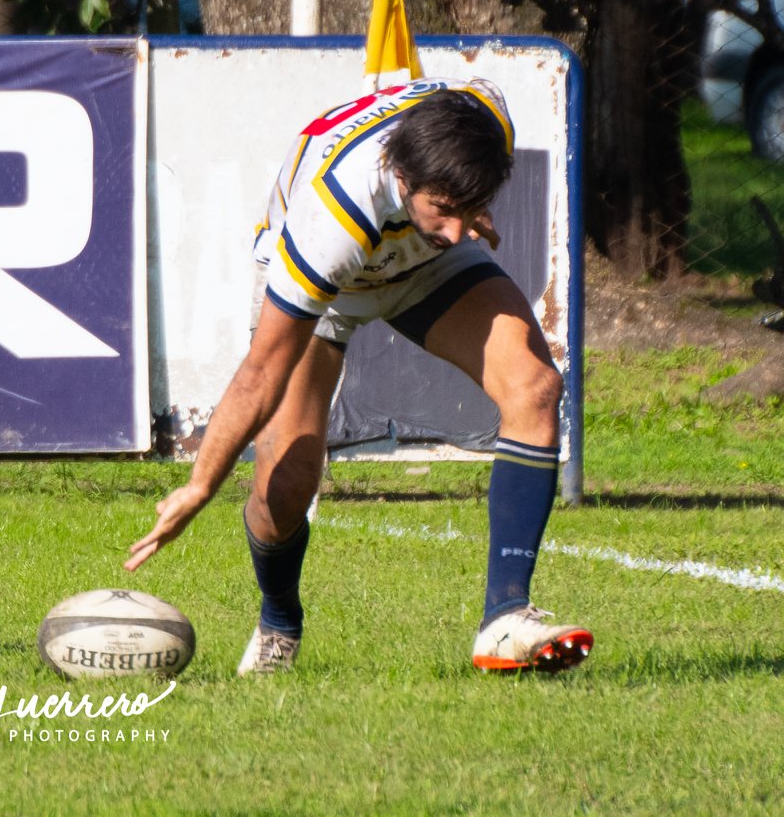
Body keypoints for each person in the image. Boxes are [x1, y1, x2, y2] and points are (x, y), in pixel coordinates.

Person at [126, 78, 593, 676]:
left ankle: (504, 619)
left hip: (422, 268)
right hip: (333, 289)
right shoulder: (332, 216)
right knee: (284, 490)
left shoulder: (483, 125)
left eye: (467, 209)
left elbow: (467, 164)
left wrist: (465, 204)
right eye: (444, 209)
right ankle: (278, 620)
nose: (458, 230)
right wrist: (198, 486)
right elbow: (261, 373)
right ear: (402, 175)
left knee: (534, 386)